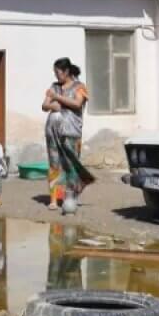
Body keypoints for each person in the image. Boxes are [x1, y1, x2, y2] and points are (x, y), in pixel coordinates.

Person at [42, 58, 96, 214]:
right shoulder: (54, 86)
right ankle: (53, 199)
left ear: (66, 72)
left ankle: (70, 197)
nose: (56, 75)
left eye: (57, 72)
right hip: (52, 131)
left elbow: (77, 104)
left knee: (71, 165)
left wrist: (57, 99)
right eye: (55, 72)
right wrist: (54, 106)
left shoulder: (80, 87)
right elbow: (44, 105)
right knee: (54, 164)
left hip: (71, 131)